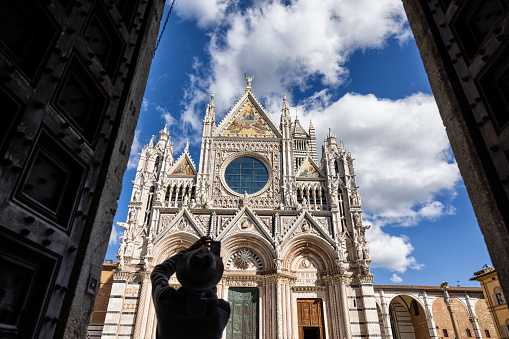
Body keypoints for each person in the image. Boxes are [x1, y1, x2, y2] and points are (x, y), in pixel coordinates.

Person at [151, 236, 230, 339]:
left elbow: (159, 271)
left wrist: (188, 251)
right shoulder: (221, 310)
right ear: (212, 279)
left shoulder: (165, 299)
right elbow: (211, 295)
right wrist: (211, 268)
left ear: (183, 271)